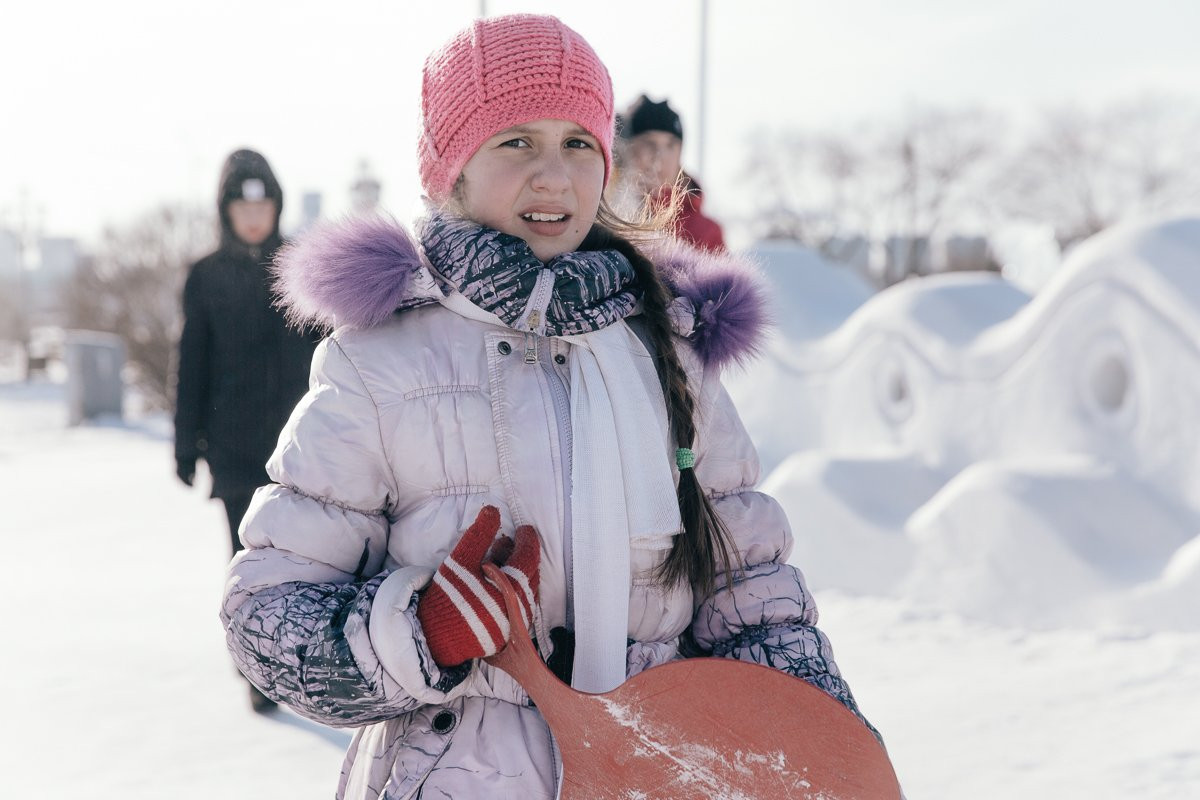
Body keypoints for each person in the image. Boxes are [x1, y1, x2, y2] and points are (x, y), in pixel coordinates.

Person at [221, 14, 882, 796]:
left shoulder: (668, 351)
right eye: (516, 143)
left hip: (657, 772)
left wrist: (817, 733)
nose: (554, 175)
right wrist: (422, 632)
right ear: (450, 173)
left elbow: (750, 593)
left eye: (578, 143)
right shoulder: (377, 364)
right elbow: (267, 615)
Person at [174, 149, 320, 710]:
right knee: (246, 562)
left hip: (301, 447)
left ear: (277, 207)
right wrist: (186, 444)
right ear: (226, 210)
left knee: (304, 558)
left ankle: (306, 661)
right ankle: (260, 673)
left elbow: (336, 351)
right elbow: (192, 363)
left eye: (263, 204)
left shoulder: (298, 265)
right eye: (242, 203)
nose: (254, 215)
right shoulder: (207, 276)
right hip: (234, 452)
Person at [621, 94, 727, 252]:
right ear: (628, 150)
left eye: (671, 145)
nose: (660, 155)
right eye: (649, 143)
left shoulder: (706, 232)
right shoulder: (603, 218)